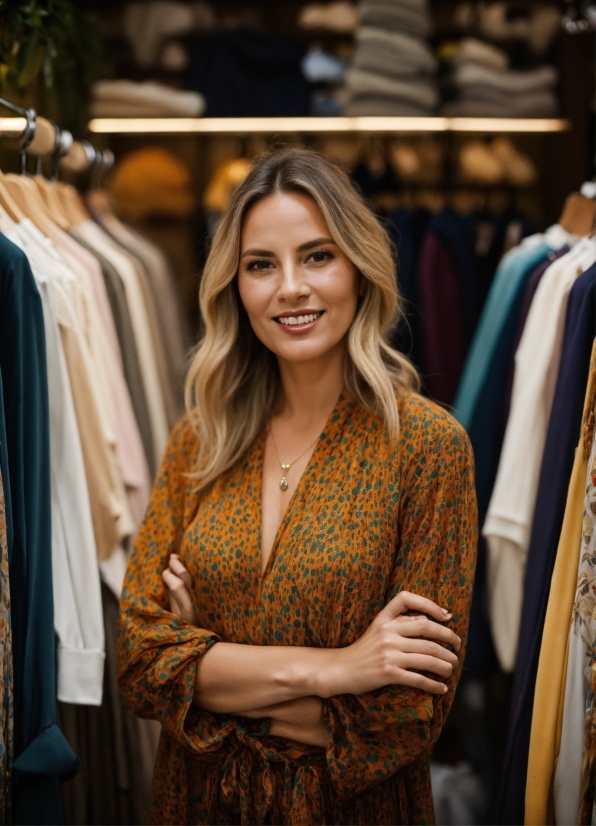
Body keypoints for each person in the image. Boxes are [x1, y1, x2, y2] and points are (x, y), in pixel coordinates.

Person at [117, 147, 478, 825]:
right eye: (261, 265)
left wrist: (207, 671)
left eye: (317, 256)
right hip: (196, 804)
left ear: (359, 269)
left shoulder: (427, 449)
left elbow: (408, 713)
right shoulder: (201, 441)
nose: (290, 288)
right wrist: (339, 669)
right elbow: (139, 661)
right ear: (235, 285)